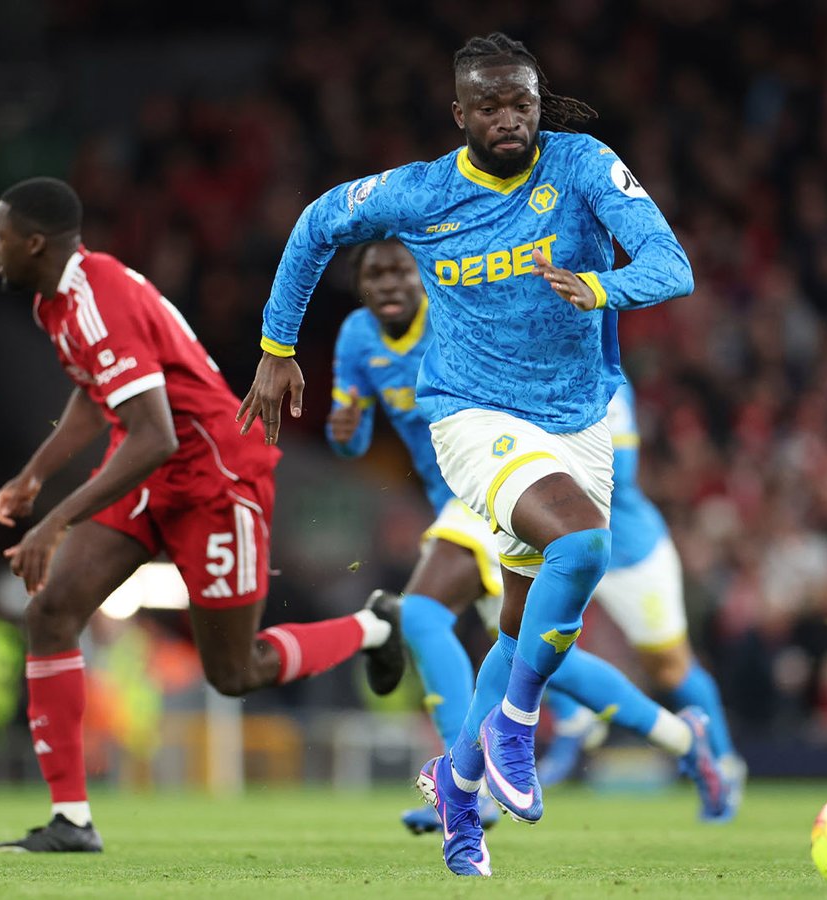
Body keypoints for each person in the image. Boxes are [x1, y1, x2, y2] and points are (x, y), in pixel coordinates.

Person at [239, 32, 704, 875]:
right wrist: (277, 345)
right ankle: (515, 731)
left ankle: (458, 788)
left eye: (520, 103)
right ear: (460, 114)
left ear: (538, 103)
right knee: (582, 540)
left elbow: (671, 265)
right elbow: (315, 226)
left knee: (528, 627)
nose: (508, 119)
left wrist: (605, 287)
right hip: (470, 414)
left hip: (577, 418)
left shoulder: (583, 167)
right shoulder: (419, 194)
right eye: (488, 106)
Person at [0, 177, 404, 853]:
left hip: (215, 476)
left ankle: (373, 628)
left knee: (234, 674)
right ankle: (72, 819)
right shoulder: (55, 303)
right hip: (150, 471)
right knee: (52, 612)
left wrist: (54, 520)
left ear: (34, 242)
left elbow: (158, 435)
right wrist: (35, 474)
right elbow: (98, 398)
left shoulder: (97, 300)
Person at [327, 240, 738, 836]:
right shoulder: (356, 339)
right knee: (536, 656)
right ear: (361, 286)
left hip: (503, 480)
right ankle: (683, 737)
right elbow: (351, 436)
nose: (389, 283)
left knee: (420, 612)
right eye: (374, 274)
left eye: (402, 270)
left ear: (428, 278)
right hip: (460, 500)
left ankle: (461, 781)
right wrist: (345, 430)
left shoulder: (458, 316)